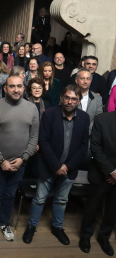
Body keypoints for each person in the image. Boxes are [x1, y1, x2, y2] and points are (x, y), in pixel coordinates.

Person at [23, 84, 89, 245]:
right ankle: (32, 226)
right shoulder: (49, 114)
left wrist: (67, 166)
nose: (70, 101)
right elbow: (43, 141)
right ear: (61, 98)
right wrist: (56, 166)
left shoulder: (84, 118)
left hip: (69, 169)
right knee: (39, 199)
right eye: (67, 97)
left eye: (74, 99)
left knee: (62, 200)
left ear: (79, 101)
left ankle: (57, 227)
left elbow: (83, 146)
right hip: (48, 166)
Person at [0, 75, 39, 241]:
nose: (16, 89)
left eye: (19, 86)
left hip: (20, 164)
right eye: (12, 86)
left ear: (23, 88)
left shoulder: (32, 108)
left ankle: (4, 223)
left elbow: (34, 138)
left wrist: (23, 158)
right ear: (5, 88)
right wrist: (1, 160)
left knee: (10, 195)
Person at [79, 106, 116, 256]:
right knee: (92, 208)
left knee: (112, 210)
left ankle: (104, 238)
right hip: (100, 174)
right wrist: (112, 172)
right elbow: (95, 147)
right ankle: (85, 236)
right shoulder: (102, 119)